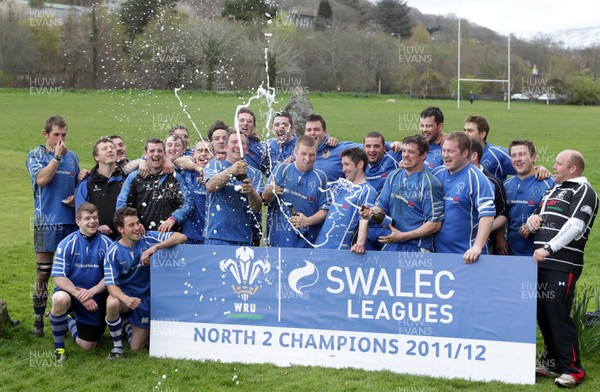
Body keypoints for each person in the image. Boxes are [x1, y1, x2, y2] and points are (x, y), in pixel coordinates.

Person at [529, 150, 598, 388]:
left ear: (573, 169)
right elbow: (538, 215)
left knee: (558, 314)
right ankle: (552, 362)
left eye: (559, 163)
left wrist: (549, 247)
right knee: (543, 313)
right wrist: (531, 221)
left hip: (562, 263)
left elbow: (576, 225)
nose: (553, 167)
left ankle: (573, 369)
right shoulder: (553, 189)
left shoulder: (584, 190)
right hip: (539, 261)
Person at [104, 207, 187, 359]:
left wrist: (154, 248)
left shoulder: (148, 238)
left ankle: (126, 325)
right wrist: (126, 299)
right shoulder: (113, 252)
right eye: (131, 225)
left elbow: (181, 237)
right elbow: (111, 286)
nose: (137, 228)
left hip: (144, 298)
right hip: (125, 296)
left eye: (137, 223)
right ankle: (117, 347)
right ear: (121, 229)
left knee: (136, 348)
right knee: (112, 303)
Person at [26, 115, 80, 337]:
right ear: (45, 134)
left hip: (70, 222)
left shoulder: (73, 157)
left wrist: (77, 194)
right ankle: (38, 322)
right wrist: (57, 158)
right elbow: (41, 180)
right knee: (43, 274)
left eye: (64, 135)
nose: (60, 139)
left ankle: (71, 319)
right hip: (46, 222)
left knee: (72, 274)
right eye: (56, 134)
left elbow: (78, 185)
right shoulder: (35, 155)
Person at [49, 203, 113, 363]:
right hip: (72, 295)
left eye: (95, 217)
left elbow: (111, 277)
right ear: (78, 222)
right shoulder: (66, 244)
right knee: (59, 299)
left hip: (95, 298)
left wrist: (91, 292)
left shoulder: (108, 244)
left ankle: (68, 322)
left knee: (88, 346)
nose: (92, 221)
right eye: (87, 218)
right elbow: (59, 277)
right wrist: (80, 294)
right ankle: (59, 348)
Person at [361, 135, 444, 252]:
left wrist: (403, 236)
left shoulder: (430, 184)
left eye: (411, 152)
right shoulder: (393, 176)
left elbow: (434, 224)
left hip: (416, 247)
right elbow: (381, 207)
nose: (405, 155)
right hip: (393, 241)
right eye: (404, 151)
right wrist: (369, 212)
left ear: (423, 155)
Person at [432, 132, 495, 262]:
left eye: (450, 151)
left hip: (467, 256)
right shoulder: (436, 173)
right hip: (437, 256)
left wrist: (477, 247)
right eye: (443, 150)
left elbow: (487, 215)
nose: (445, 155)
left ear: (465, 153)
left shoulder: (477, 178)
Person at [262, 135, 329, 248]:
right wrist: (269, 191)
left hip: (306, 243)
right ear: (295, 152)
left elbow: (325, 211)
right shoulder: (282, 170)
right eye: (303, 154)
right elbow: (265, 198)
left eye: (312, 155)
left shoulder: (320, 177)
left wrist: (307, 221)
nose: (307, 159)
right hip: (277, 239)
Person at [116, 138, 191, 232]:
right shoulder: (134, 177)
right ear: (145, 153)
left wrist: (174, 218)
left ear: (164, 154)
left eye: (159, 150)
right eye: (152, 151)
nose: (156, 154)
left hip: (169, 237)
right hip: (140, 235)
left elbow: (188, 203)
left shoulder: (175, 177)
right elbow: (121, 204)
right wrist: (135, 224)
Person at [204, 130, 264, 245]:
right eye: (234, 142)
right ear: (226, 147)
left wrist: (251, 192)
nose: (238, 146)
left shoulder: (256, 174)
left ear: (247, 148)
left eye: (242, 143)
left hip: (244, 238)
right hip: (216, 236)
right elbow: (210, 186)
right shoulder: (215, 165)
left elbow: (256, 208)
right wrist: (231, 170)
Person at [316, 148, 377, 252]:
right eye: (342, 165)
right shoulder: (340, 187)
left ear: (360, 164)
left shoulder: (368, 191)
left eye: (347, 164)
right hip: (319, 247)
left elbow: (364, 218)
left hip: (340, 252)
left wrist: (359, 244)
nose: (343, 169)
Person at [504, 140, 554, 256]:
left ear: (533, 157)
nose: (517, 159)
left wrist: (532, 226)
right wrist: (501, 238)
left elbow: (557, 216)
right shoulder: (506, 185)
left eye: (522, 154)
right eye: (513, 155)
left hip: (541, 254)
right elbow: (502, 215)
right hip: (510, 252)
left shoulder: (549, 183)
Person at [76, 137, 126, 240]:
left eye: (112, 147)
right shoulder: (87, 183)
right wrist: (97, 228)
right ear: (96, 157)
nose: (110, 150)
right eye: (105, 148)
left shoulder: (126, 179)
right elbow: (80, 215)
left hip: (123, 240)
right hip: (96, 239)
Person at [362, 131, 402, 250]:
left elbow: (416, 148)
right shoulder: (358, 162)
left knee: (389, 264)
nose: (372, 150)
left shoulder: (394, 157)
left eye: (377, 146)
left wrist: (394, 145)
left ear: (384, 148)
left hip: (388, 227)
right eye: (368, 146)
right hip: (365, 225)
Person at [469, 140, 510, 255]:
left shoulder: (493, 182)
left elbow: (503, 214)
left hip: (484, 245)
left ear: (473, 156)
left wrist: (482, 230)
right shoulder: (446, 176)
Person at [304, 114, 360, 182]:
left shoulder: (337, 148)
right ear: (304, 133)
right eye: (309, 130)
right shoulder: (298, 153)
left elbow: (368, 148)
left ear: (325, 132)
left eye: (316, 129)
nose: (312, 133)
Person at [463, 115, 516, 182]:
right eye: (464, 130)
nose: (465, 134)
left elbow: (525, 168)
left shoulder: (497, 154)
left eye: (470, 131)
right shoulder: (459, 154)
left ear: (482, 134)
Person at [179, 140, 213, 244]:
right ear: (194, 155)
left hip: (214, 236)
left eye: (208, 151)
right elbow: (177, 160)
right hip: (191, 235)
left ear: (214, 155)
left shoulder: (219, 173)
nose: (203, 154)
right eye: (200, 150)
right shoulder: (187, 173)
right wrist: (198, 168)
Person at [237, 107, 270, 175]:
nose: (245, 123)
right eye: (242, 120)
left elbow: (270, 172)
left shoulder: (260, 149)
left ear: (254, 127)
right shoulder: (227, 142)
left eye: (249, 121)